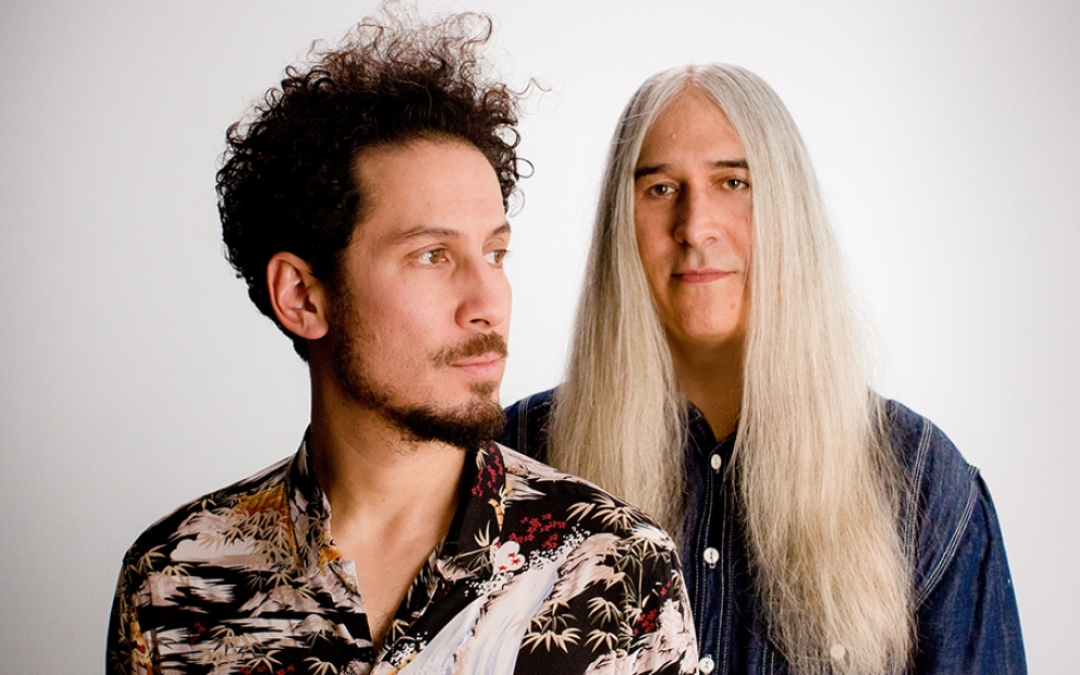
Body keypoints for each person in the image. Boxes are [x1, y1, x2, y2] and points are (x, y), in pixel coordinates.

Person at [106, 11, 698, 675]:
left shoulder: (617, 567)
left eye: (495, 253)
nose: (488, 303)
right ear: (302, 296)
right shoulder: (173, 580)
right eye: (431, 255)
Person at [501, 64, 1026, 675]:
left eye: (734, 182)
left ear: (789, 211)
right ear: (621, 223)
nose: (695, 227)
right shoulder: (514, 461)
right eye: (660, 188)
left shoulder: (923, 485)